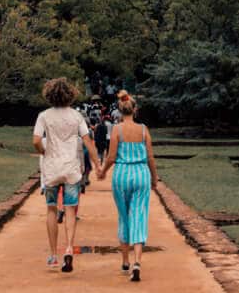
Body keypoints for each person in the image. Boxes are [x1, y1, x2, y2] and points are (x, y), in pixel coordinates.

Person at [33, 77, 93, 274]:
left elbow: (35, 141)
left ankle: (52, 254)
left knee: (51, 209)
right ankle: (68, 248)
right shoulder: (76, 116)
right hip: (71, 170)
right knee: (69, 210)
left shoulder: (44, 116)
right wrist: (98, 164)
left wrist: (44, 151)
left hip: (51, 170)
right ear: (70, 95)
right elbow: (86, 140)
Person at [102, 90, 157, 282]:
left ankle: (125, 260)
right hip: (141, 174)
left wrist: (102, 171)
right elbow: (150, 156)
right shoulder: (143, 130)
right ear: (135, 110)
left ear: (119, 109)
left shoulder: (117, 130)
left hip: (122, 175)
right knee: (139, 216)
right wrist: (154, 177)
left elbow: (111, 157)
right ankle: (137, 262)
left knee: (124, 216)